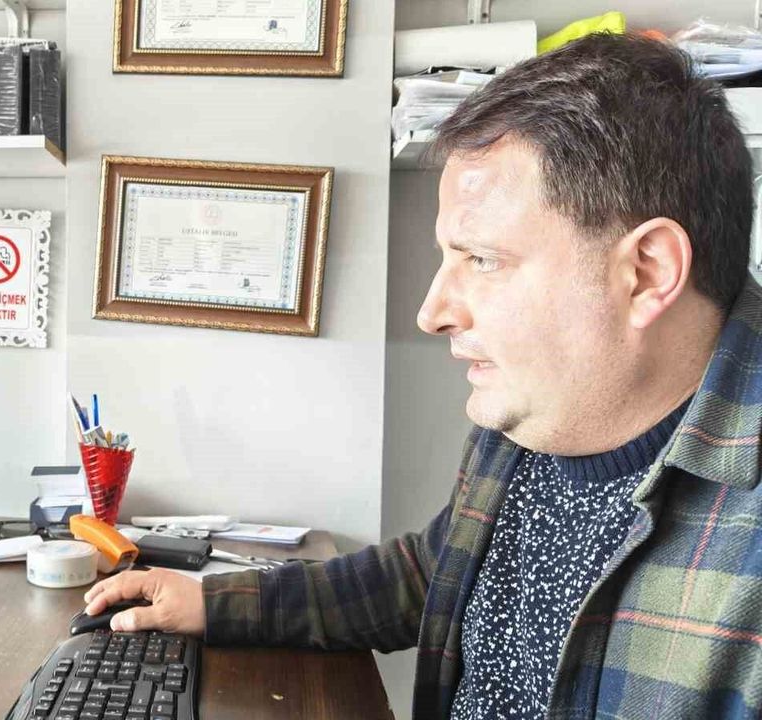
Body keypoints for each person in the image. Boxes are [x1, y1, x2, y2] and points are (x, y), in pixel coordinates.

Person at [84, 34, 762, 719]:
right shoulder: (540, 413)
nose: (432, 312)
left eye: (482, 260)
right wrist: (217, 602)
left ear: (647, 272)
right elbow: (436, 570)